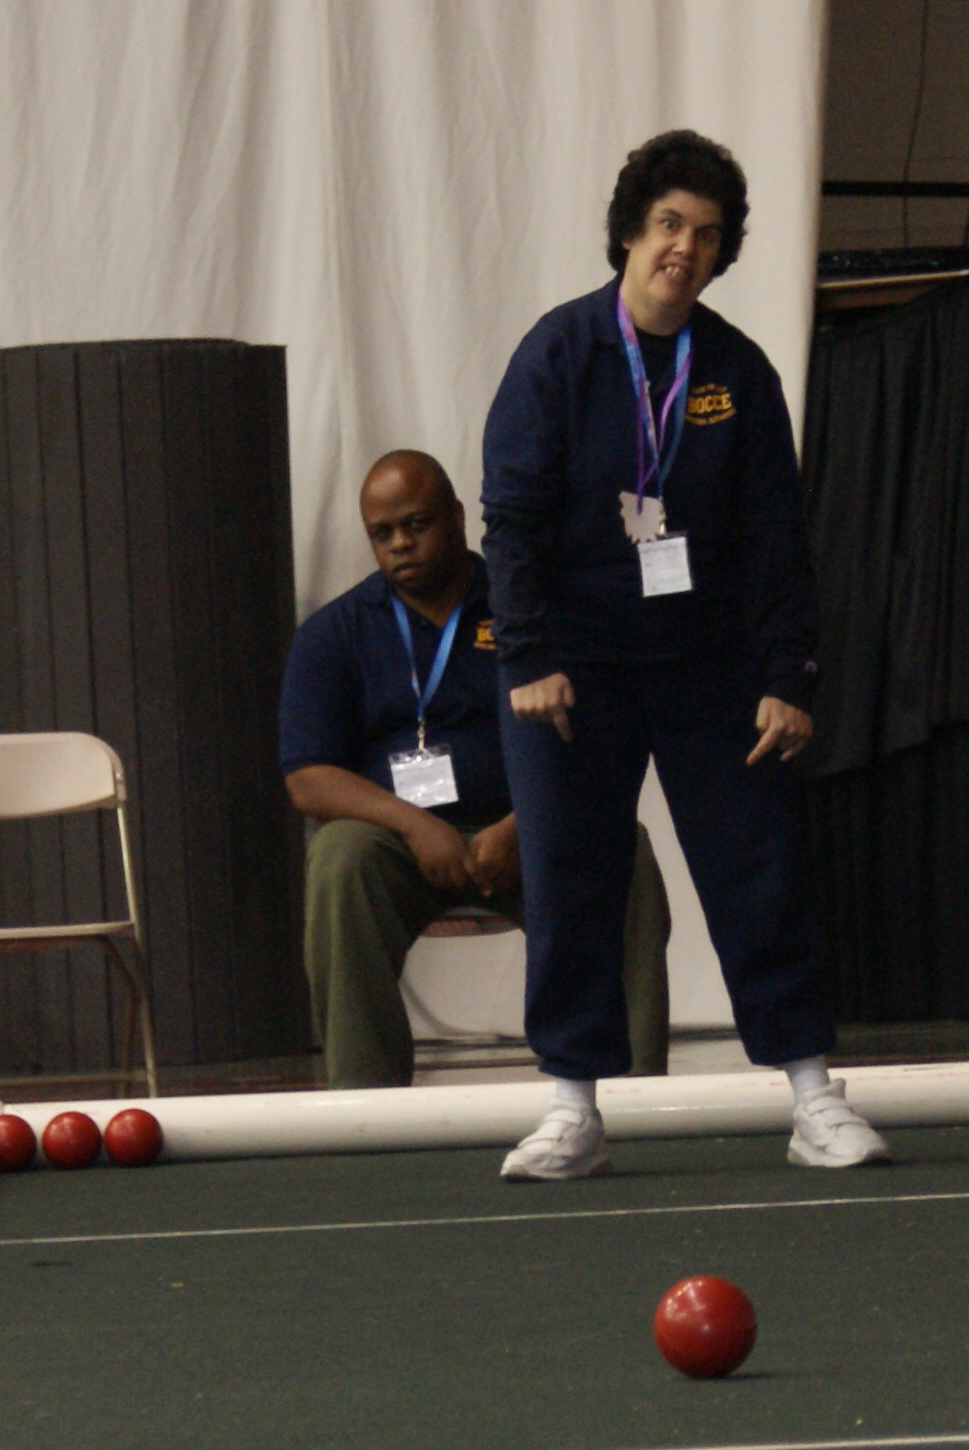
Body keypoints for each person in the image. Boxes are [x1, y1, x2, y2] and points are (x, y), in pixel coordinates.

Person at [480, 127, 887, 1182]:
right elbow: (511, 521)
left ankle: (811, 1098)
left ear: (721, 254)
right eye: (667, 224)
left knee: (758, 874)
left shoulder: (736, 372)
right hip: (571, 675)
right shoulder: (558, 354)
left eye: (706, 234)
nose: (683, 248)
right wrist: (526, 656)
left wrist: (784, 676)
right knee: (571, 882)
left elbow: (776, 542)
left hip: (708, 668)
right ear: (628, 232)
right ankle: (572, 1109)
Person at [281, 448, 671, 1086]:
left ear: (458, 517)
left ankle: (627, 1088)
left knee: (620, 848)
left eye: (416, 524)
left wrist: (524, 826)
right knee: (338, 859)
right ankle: (366, 1106)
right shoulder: (335, 634)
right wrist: (415, 826)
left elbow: (601, 740)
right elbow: (307, 777)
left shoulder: (533, 611)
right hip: (397, 845)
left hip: (527, 829)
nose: (401, 544)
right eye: (383, 534)